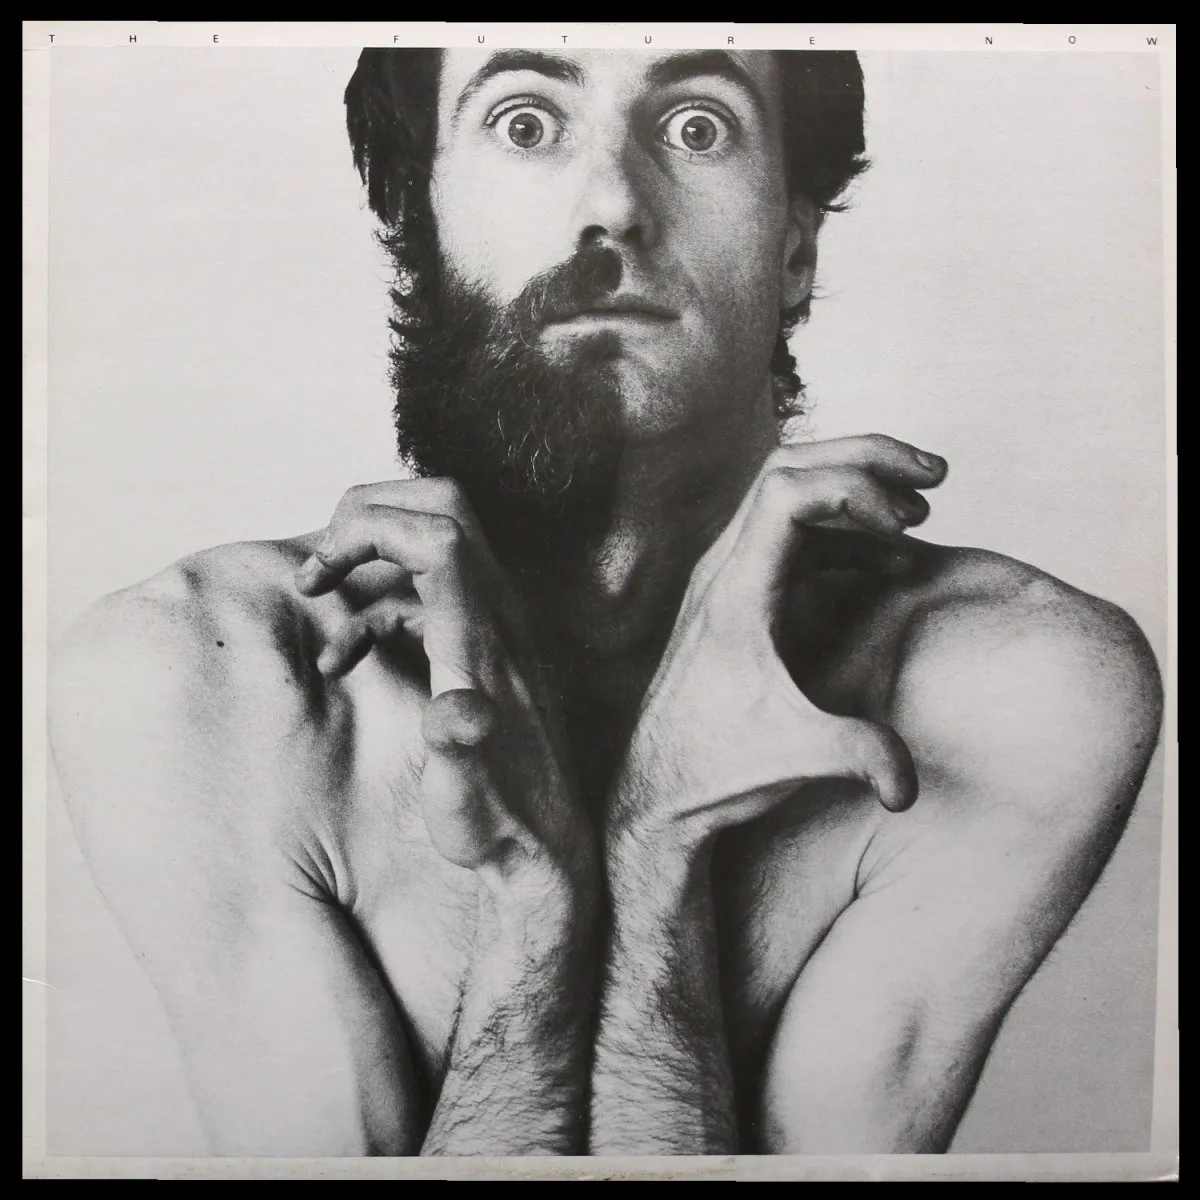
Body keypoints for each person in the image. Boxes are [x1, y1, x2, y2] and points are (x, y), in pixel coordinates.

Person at [47, 47, 1163, 1157]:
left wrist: (655, 839)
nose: (615, 206)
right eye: (526, 124)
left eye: (697, 128)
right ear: (420, 223)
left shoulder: (1010, 688)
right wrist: (537, 906)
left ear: (794, 250)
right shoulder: (198, 678)